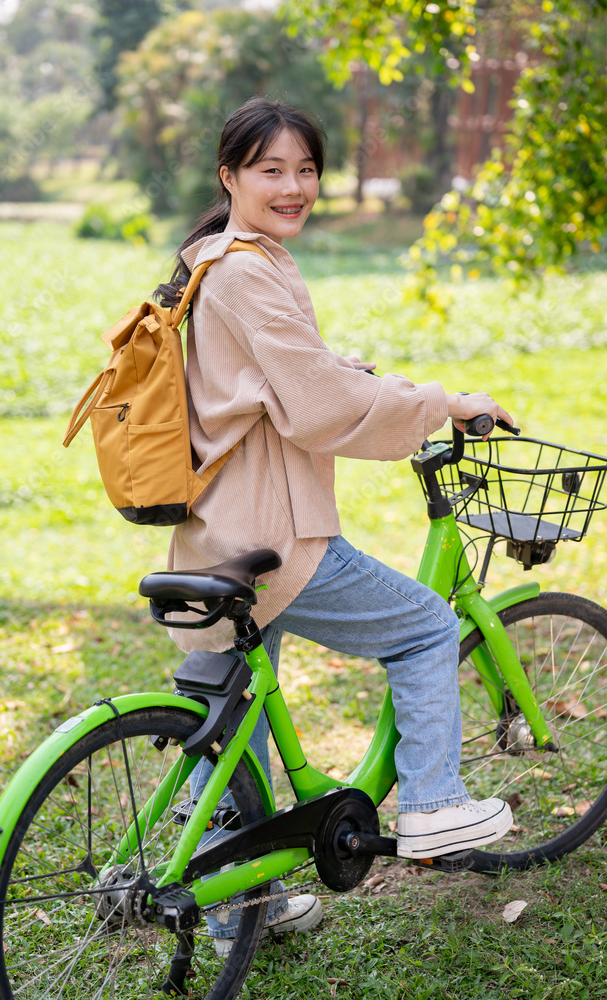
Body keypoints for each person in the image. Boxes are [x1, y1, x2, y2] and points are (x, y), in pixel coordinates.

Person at [153, 96, 513, 952]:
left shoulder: (213, 262)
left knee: (229, 721)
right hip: (272, 537)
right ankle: (432, 806)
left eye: (306, 169)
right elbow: (315, 405)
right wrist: (442, 402)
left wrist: (355, 376)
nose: (293, 186)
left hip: (215, 531)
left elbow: (277, 378)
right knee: (426, 627)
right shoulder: (245, 270)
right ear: (229, 177)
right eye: (270, 170)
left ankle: (239, 902)